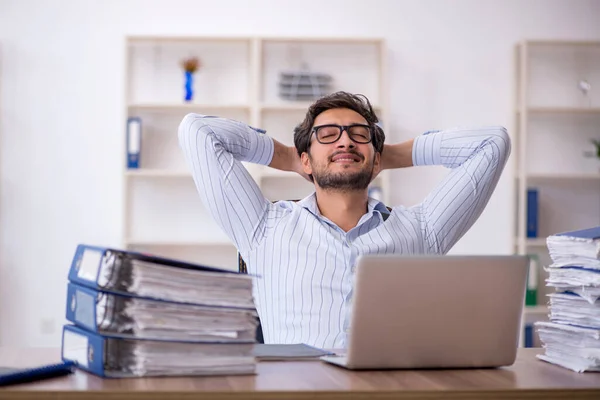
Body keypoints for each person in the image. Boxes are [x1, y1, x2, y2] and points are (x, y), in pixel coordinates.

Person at [178, 91, 510, 348]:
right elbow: (197, 131)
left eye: (358, 134)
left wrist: (383, 155)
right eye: (327, 134)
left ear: (377, 159)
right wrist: (286, 157)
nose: (345, 140)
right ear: (305, 159)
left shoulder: (422, 231)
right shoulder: (264, 227)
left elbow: (492, 143)